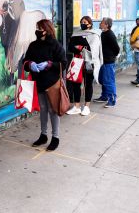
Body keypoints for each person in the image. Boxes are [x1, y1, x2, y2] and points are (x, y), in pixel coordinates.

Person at [24, 19, 67, 151]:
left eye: (40, 28)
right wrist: (30, 64)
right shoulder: (33, 45)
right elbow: (25, 61)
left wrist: (49, 64)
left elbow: (63, 63)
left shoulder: (55, 45)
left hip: (52, 83)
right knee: (43, 109)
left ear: (47, 30)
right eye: (36, 27)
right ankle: (43, 135)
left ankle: (55, 137)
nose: (37, 30)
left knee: (53, 109)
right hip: (39, 82)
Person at [66, 16, 103, 116]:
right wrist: (82, 47)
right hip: (77, 61)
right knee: (76, 83)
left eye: (85, 22)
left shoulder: (95, 34)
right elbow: (70, 47)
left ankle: (86, 106)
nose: (82, 23)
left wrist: (79, 46)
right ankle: (77, 106)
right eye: (81, 21)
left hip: (89, 62)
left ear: (90, 24)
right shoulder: (76, 33)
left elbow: (92, 49)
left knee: (88, 83)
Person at [93, 17, 120, 107]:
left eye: (101, 22)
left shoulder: (110, 34)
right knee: (103, 80)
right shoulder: (103, 33)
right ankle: (104, 96)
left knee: (108, 81)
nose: (100, 23)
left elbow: (117, 48)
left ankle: (112, 100)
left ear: (106, 25)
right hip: (102, 61)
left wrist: (111, 56)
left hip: (108, 61)